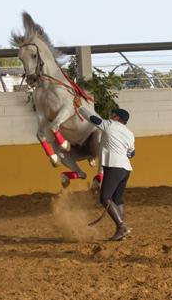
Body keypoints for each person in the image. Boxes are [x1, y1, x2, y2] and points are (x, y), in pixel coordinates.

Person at [74, 97, 135, 241]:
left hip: (114, 166)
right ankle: (121, 232)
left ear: (117, 117)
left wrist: (80, 107)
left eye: (113, 114)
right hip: (126, 169)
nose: (111, 116)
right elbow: (131, 153)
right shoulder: (130, 134)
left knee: (105, 197)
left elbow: (94, 119)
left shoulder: (110, 124)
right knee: (117, 199)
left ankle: (121, 226)